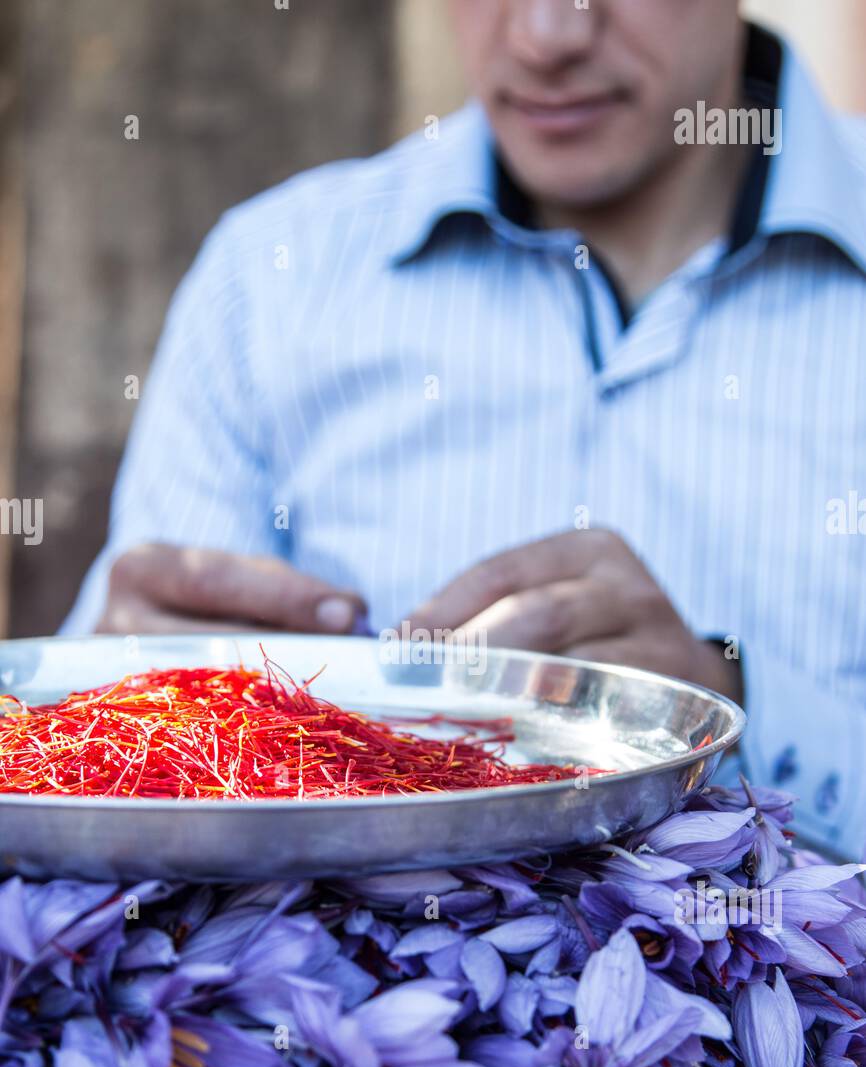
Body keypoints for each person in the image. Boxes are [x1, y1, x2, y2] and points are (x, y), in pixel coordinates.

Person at [64, 0, 866, 858]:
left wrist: (732, 710)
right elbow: (93, 795)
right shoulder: (272, 284)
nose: (545, 38)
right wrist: (127, 695)